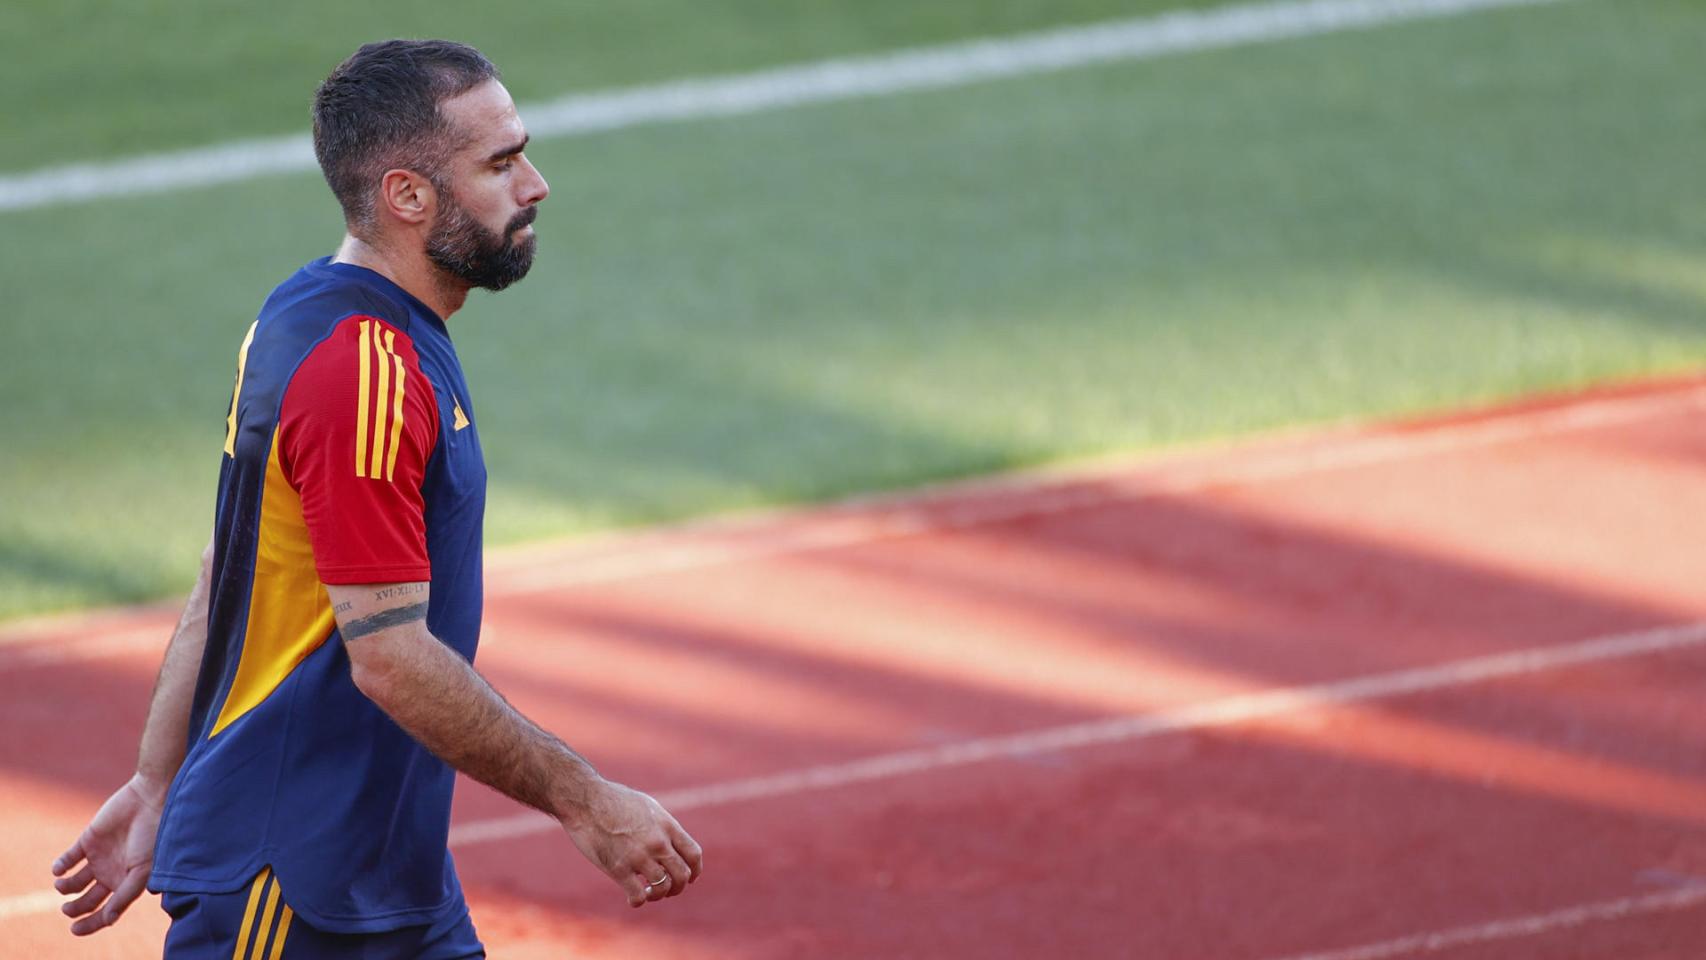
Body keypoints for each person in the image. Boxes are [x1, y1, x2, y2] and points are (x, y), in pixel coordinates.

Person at [47, 39, 702, 958]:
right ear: (407, 196)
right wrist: (586, 799)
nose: (535, 184)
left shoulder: (313, 316)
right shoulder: (365, 369)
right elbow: (387, 657)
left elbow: (224, 572)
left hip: (383, 873)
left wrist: (158, 781)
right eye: (501, 163)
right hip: (295, 885)